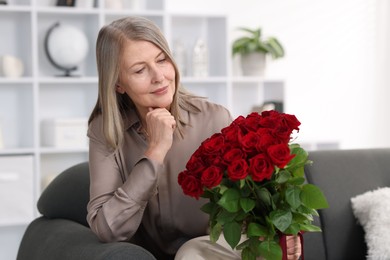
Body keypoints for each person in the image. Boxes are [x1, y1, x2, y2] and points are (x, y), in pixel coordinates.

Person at [87, 16, 302, 260]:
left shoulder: (213, 118)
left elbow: (252, 204)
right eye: (139, 70)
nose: (159, 76)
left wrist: (282, 233)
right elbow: (108, 229)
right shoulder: (104, 131)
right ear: (117, 84)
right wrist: (155, 152)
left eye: (162, 60)